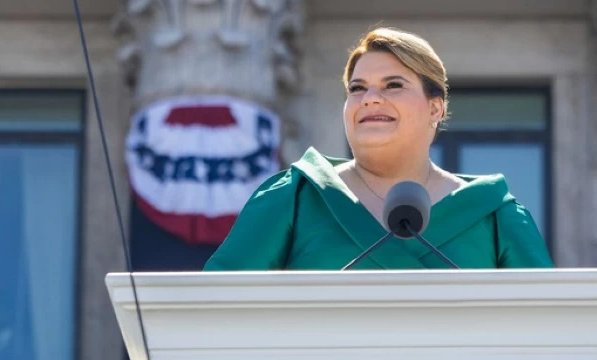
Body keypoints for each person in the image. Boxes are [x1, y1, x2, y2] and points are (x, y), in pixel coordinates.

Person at [203, 27, 553, 271]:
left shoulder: (494, 213)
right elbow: (211, 313)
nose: (370, 99)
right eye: (357, 88)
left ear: (435, 108)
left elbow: (551, 328)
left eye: (393, 85)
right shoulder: (295, 198)